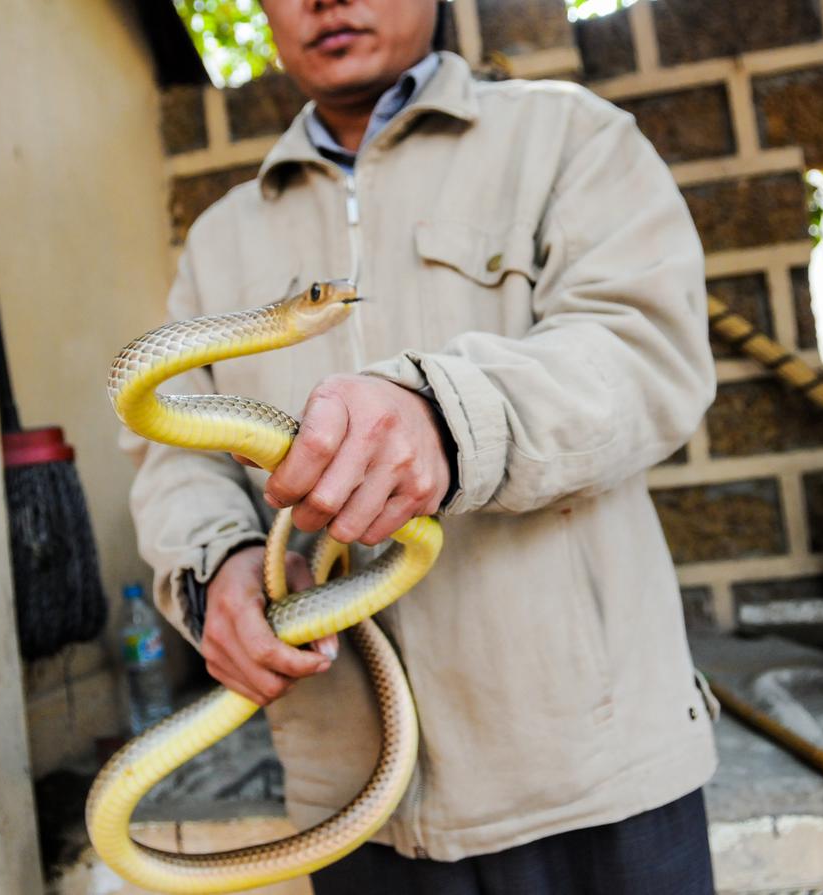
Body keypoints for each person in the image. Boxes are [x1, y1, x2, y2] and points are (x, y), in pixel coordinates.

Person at [128, 0, 719, 891]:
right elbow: (180, 457)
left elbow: (644, 355)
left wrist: (445, 417)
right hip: (352, 814)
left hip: (595, 782)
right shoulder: (220, 240)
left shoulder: (571, 141)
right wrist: (220, 570)